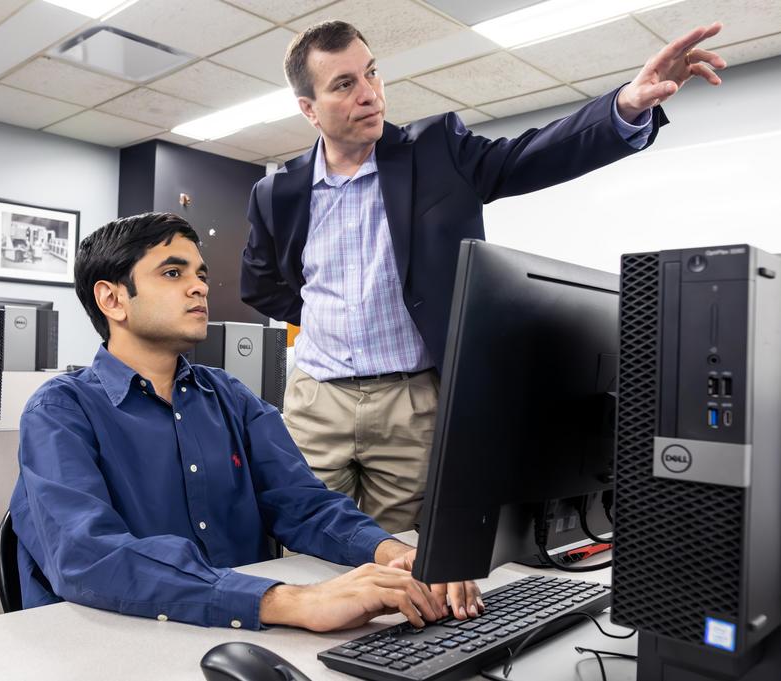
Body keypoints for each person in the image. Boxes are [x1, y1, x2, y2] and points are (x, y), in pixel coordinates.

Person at [241, 20, 726, 533]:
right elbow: (260, 284)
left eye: (372, 74)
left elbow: (531, 155)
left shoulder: (436, 151)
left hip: (413, 403)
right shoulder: (278, 192)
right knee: (304, 543)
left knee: (401, 561)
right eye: (344, 84)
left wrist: (626, 105)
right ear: (309, 109)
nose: (370, 95)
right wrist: (327, 316)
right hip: (317, 400)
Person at [8, 212, 484, 631]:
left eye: (200, 274)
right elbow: (90, 558)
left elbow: (303, 504)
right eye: (173, 273)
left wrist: (391, 553)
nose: (199, 287)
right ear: (112, 300)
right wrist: (291, 600)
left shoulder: (229, 397)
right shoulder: (59, 412)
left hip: (238, 630)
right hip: (119, 639)